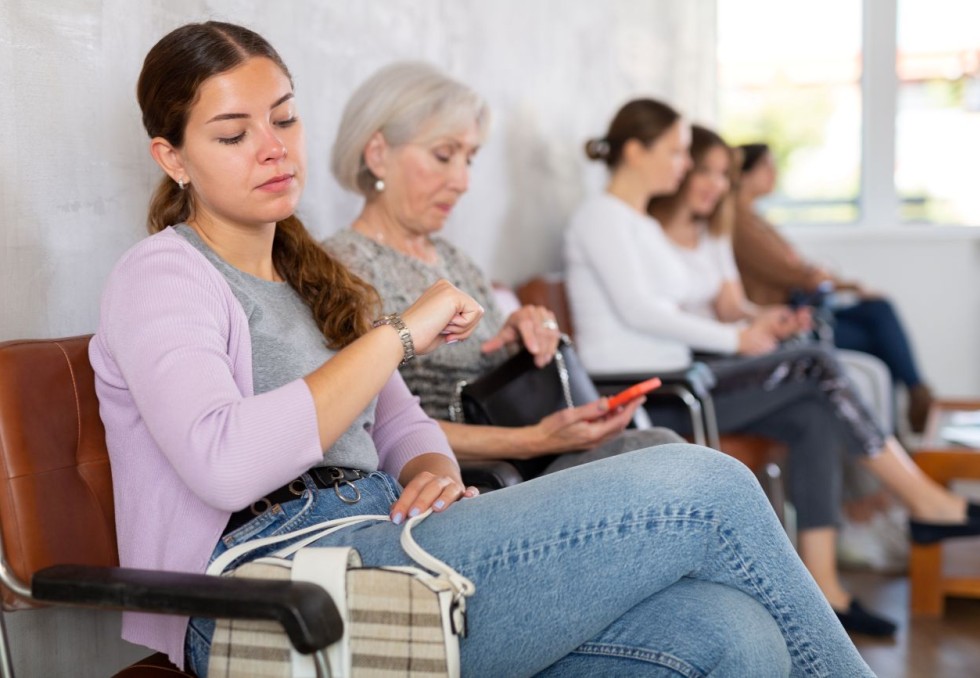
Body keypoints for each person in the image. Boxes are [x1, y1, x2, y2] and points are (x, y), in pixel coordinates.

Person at [88, 21, 882, 677]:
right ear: (173, 157)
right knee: (703, 486)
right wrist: (397, 334)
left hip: (388, 546)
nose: (273, 147)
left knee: (732, 633)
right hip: (272, 599)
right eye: (234, 133)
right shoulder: (163, 274)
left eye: (284, 118)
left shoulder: (311, 272)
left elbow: (400, 427)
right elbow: (222, 461)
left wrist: (432, 474)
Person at [563, 100, 980, 637]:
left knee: (812, 413)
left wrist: (750, 325)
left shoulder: (639, 223)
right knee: (816, 366)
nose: (683, 164)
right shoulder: (601, 218)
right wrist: (738, 335)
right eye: (677, 151)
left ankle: (827, 588)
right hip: (648, 394)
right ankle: (924, 502)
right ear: (637, 151)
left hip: (684, 376)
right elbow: (643, 312)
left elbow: (691, 301)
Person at [323, 62, 683, 481]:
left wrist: (521, 335)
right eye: (444, 155)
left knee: (666, 452)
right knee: (663, 455)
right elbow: (373, 426)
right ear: (378, 155)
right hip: (473, 476)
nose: (462, 181)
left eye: (469, 159)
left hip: (528, 455)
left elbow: (487, 372)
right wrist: (534, 439)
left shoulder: (455, 260)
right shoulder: (343, 269)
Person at [733, 142, 934, 432]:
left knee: (879, 308)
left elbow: (804, 270)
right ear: (743, 174)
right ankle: (905, 417)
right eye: (766, 166)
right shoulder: (741, 225)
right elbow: (795, 272)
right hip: (790, 319)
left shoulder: (757, 221)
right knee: (881, 342)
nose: (774, 173)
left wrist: (849, 285)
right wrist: (828, 279)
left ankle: (914, 401)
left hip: (802, 305)